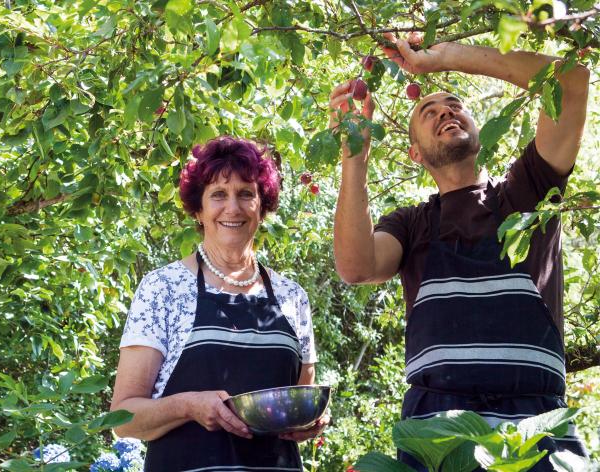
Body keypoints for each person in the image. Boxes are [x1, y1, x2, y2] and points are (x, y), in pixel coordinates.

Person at [332, 32, 591, 470]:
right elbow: (356, 267)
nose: (445, 111)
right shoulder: (411, 224)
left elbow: (570, 81)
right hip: (438, 438)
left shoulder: (527, 195)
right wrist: (354, 153)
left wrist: (442, 59)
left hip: (537, 434)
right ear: (415, 153)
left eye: (454, 104)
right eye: (427, 112)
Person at [110, 136, 325, 471]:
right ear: (198, 209)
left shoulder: (291, 297)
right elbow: (124, 419)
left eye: (246, 194)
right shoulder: (162, 289)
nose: (233, 208)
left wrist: (308, 423)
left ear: (262, 205)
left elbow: (300, 400)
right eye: (218, 195)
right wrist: (189, 406)